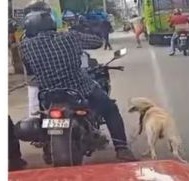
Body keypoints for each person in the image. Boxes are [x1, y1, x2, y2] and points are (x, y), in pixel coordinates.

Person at [19, 2, 137, 162]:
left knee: (42, 115)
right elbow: (97, 42)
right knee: (110, 109)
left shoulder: (25, 46)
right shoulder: (69, 37)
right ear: (51, 23)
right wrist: (83, 30)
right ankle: (121, 148)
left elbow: (31, 71)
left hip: (49, 94)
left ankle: (47, 148)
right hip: (80, 87)